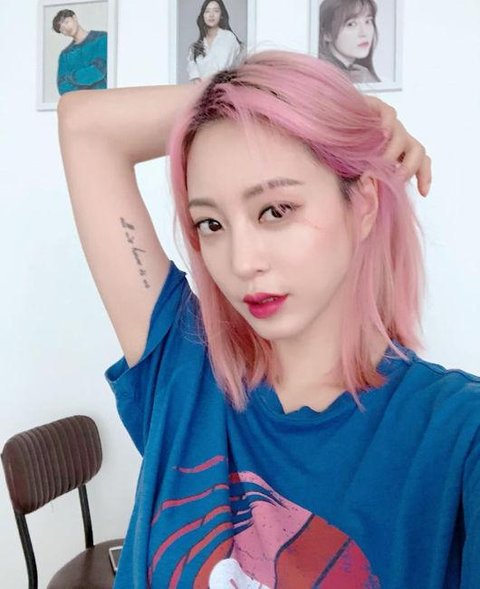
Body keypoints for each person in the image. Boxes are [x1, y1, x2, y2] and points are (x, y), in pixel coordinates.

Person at [58, 50, 479, 588]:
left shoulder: (457, 436)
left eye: (275, 211)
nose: (241, 262)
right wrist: (252, 99)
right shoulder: (185, 370)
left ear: (364, 205)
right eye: (211, 224)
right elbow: (85, 126)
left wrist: (318, 109)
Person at [319, 0, 380, 84]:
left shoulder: (361, 74)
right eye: (351, 24)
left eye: (367, 21)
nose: (364, 33)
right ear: (327, 34)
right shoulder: (325, 77)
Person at [52, 9, 107, 95]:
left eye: (66, 22)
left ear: (74, 18)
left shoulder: (101, 38)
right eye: (62, 29)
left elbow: (98, 71)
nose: (67, 28)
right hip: (79, 102)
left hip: (102, 98)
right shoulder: (65, 55)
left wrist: (70, 78)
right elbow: (63, 88)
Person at [187, 0, 243, 82]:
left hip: (224, 87)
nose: (211, 15)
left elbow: (225, 69)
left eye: (216, 11)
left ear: (221, 15)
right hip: (203, 89)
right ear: (203, 16)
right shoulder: (195, 48)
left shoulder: (228, 38)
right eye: (207, 11)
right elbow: (195, 78)